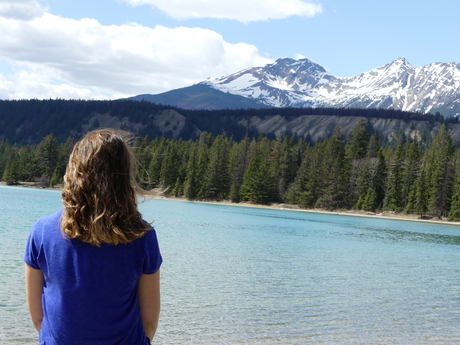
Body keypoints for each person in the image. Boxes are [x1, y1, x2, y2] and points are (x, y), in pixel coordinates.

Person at [24, 129, 162, 344]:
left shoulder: (41, 231)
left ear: (74, 170)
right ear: (124, 177)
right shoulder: (142, 237)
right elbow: (150, 321)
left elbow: (37, 318)